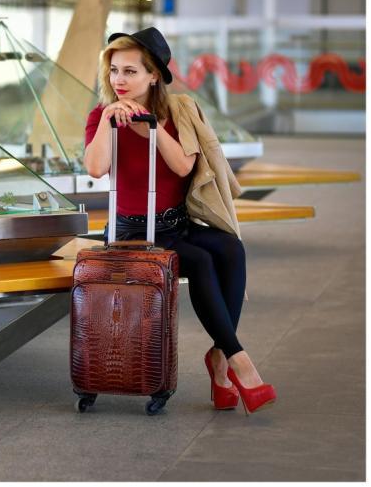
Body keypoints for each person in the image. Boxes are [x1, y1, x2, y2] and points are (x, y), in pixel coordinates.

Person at [83, 27, 277, 415]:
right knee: (202, 261)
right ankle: (238, 361)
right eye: (115, 71)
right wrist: (108, 120)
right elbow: (96, 167)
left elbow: (184, 165)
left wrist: (148, 127)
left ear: (154, 75)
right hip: (132, 232)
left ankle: (219, 356)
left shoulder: (177, 113)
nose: (119, 80)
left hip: (174, 224)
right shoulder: (101, 115)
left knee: (230, 247)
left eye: (130, 72)